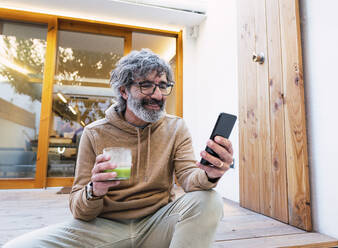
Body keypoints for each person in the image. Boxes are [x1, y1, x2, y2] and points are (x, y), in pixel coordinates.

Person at [4, 49, 234, 248]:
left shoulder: (176, 127)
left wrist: (209, 174)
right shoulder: (95, 133)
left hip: (157, 224)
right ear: (123, 91)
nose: (157, 95)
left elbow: (188, 179)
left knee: (209, 200)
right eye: (146, 85)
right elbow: (79, 209)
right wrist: (95, 189)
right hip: (103, 229)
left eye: (163, 86)